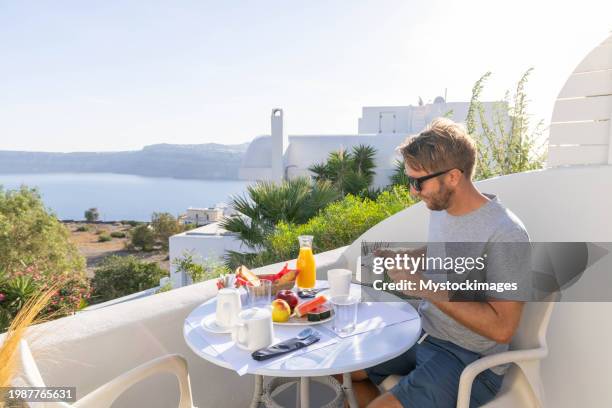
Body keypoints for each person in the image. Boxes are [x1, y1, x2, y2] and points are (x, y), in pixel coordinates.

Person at [340, 118, 530, 407]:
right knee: (346, 370)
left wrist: (424, 287)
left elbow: (502, 328)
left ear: (453, 177)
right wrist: (402, 257)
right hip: (424, 333)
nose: (413, 191)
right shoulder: (443, 208)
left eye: (418, 181)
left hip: (469, 360)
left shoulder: (507, 233)